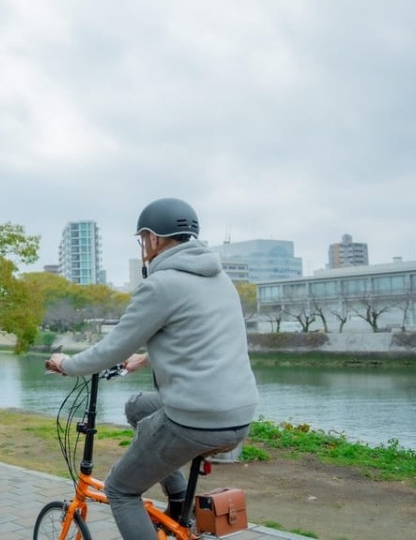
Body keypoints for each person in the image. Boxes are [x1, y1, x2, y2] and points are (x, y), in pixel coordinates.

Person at [46, 197, 259, 540]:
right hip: (238, 411)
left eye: (143, 239)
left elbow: (113, 346)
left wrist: (66, 364)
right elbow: (205, 337)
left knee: (120, 489)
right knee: (137, 407)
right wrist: (146, 358)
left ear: (153, 238)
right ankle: (178, 501)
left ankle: (171, 502)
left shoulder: (161, 285)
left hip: (195, 416)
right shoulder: (221, 281)